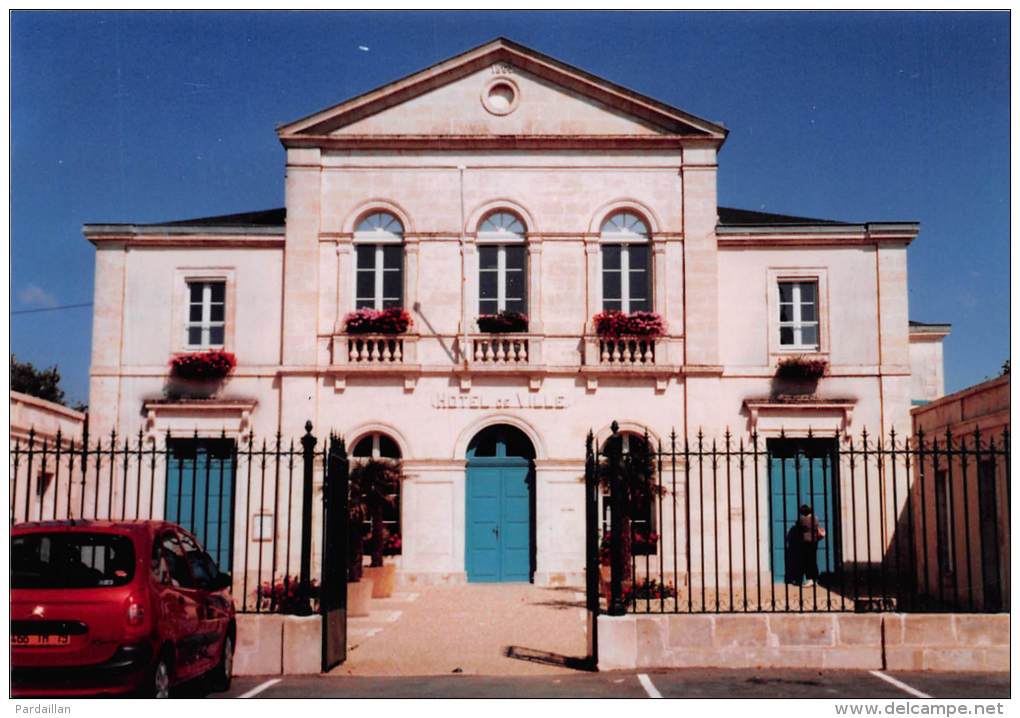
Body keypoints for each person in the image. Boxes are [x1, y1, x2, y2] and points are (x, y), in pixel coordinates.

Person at [796, 504, 824, 587]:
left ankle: (810, 579)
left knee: (807, 561)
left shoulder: (803, 520)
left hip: (806, 542)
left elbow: (799, 526)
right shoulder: (815, 519)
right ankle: (815, 579)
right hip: (814, 542)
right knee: (813, 560)